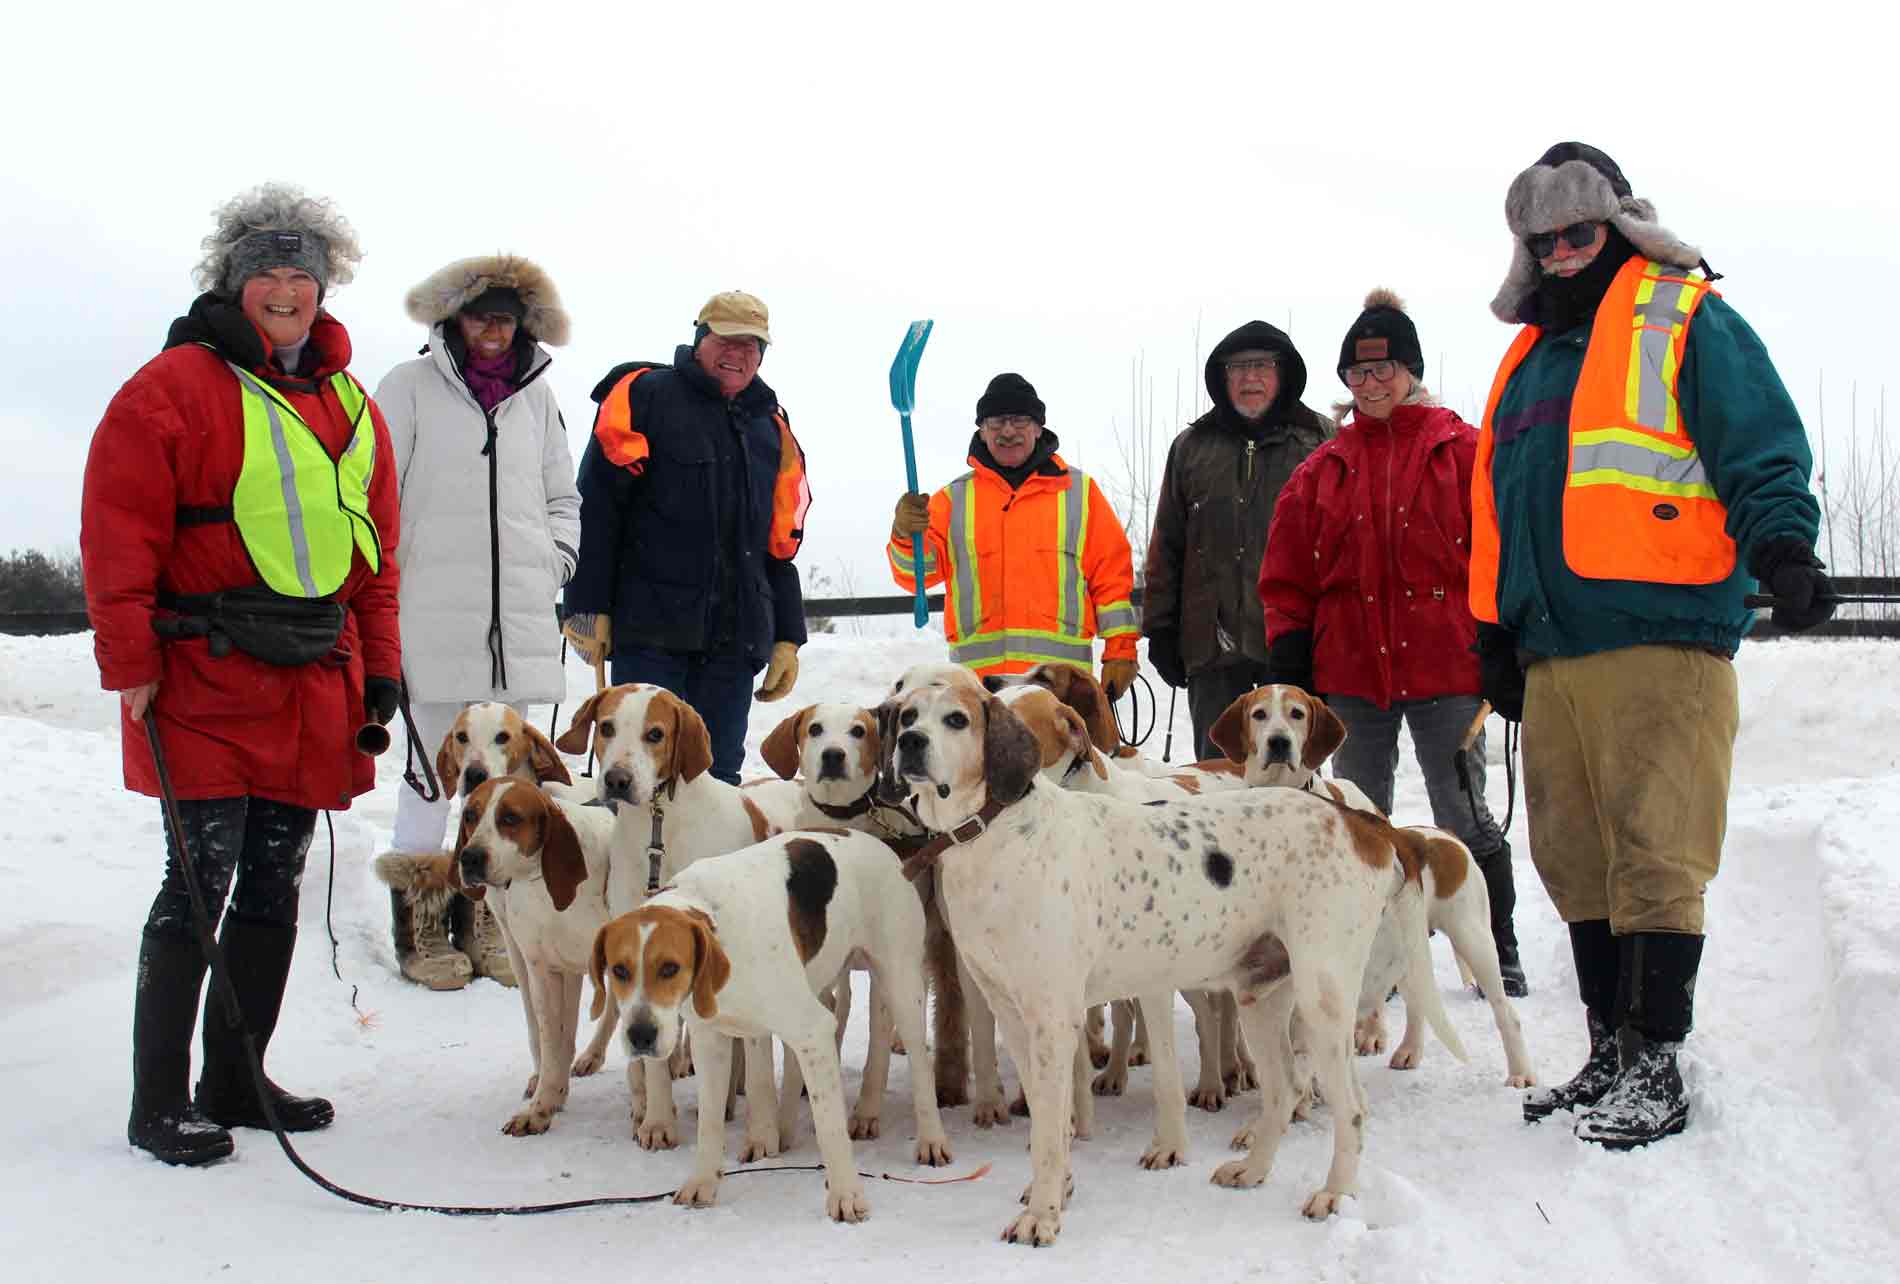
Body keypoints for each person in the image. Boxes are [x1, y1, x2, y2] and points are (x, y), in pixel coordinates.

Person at [1475, 142, 1833, 1147]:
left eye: (1575, 235)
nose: (1556, 255)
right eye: (1539, 241)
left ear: (1618, 225)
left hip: (1662, 638)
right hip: (1554, 653)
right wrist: (1489, 630)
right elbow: (1493, 509)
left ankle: (1657, 1061)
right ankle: (1608, 1052)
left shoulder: (1685, 315)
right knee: (1575, 861)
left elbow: (1757, 440)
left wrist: (1784, 546)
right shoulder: (1526, 360)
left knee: (1654, 854)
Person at [80, 183, 401, 1165]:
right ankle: (157, 1102)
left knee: (272, 884)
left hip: (311, 682)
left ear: (324, 285)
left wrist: (380, 669)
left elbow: (378, 555)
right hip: (201, 679)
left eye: (302, 272)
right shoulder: (172, 387)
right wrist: (129, 662)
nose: (285, 287)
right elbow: (117, 531)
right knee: (198, 882)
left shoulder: (351, 402)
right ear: (233, 280)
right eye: (266, 270)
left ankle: (235, 1079)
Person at [1257, 289, 1526, 996]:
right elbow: (1286, 577)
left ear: (1411, 371)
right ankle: (1370, 958)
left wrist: (1504, 642)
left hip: (1447, 667)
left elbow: (1503, 550)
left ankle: (1495, 944)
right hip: (1352, 674)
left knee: (1462, 812)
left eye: (1385, 371)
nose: (1372, 385)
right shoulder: (1320, 472)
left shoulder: (1464, 451)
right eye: (1358, 373)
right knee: (1357, 816)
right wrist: (1291, 650)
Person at [371, 255, 580, 990]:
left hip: (518, 624)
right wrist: (390, 589)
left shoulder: (539, 398)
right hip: (433, 619)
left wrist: (554, 558)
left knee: (505, 789)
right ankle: (423, 929)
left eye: (507, 317)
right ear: (454, 319)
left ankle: (489, 926)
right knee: (432, 780)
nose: (494, 329)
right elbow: (375, 494)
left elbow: (563, 494)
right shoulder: (409, 388)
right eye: (481, 314)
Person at [563, 291, 809, 784]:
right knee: (635, 776)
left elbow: (779, 541)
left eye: (752, 344)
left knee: (714, 783)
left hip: (734, 642)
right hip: (650, 633)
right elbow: (598, 505)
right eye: (727, 340)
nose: (739, 354)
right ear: (700, 338)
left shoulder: (771, 428)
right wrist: (586, 604)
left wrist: (787, 634)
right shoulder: (644, 395)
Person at [1142, 321, 1330, 759]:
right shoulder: (1190, 447)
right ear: (1221, 377)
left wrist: (1328, 635)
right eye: (1238, 368)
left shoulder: (1320, 443)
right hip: (1212, 647)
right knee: (1217, 778)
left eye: (1261, 366)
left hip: (1293, 647)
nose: (1249, 378)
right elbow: (1168, 542)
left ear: (1283, 373)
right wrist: (1161, 629)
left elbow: (1340, 549)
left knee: (1291, 780)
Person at [889, 373, 1138, 691]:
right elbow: (914, 576)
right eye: (996, 422)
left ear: (1038, 427)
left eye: (1019, 420)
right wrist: (905, 534)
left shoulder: (1081, 493)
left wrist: (1121, 651)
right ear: (982, 430)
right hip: (979, 696)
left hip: (1059, 693)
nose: (1008, 431)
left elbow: (1112, 583)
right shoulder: (952, 501)